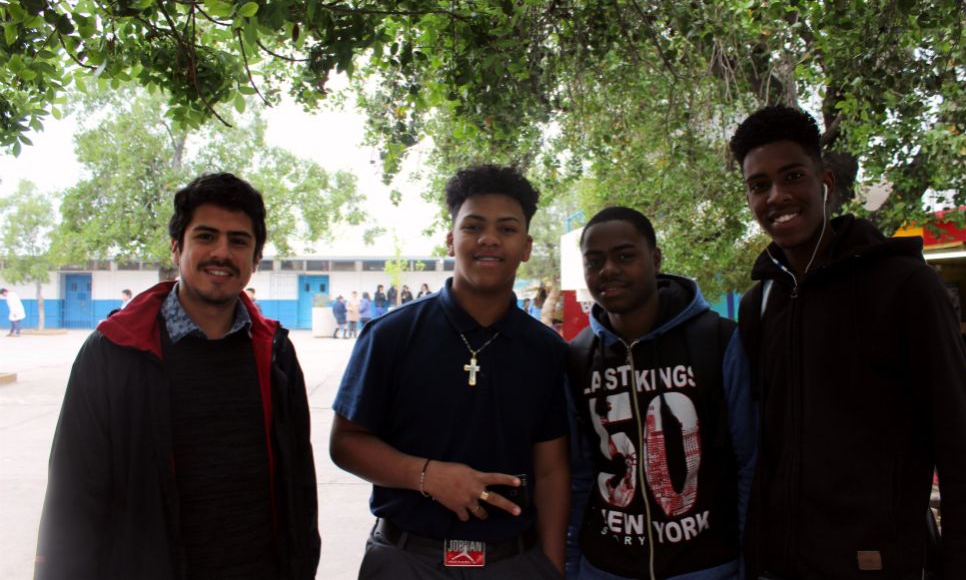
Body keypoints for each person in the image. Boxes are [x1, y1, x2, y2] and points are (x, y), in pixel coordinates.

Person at [730, 105, 966, 579]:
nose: (777, 195)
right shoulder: (760, 305)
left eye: (792, 176)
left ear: (825, 182)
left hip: (880, 563)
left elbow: (960, 443)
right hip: (779, 565)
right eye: (759, 184)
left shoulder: (906, 288)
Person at [34, 172, 321, 580]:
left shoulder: (276, 354)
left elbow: (299, 483)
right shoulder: (113, 352)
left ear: (256, 259)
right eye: (206, 236)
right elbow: (74, 495)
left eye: (239, 241)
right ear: (176, 247)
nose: (221, 252)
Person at [330, 164, 570, 579]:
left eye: (507, 229)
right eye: (473, 226)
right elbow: (346, 443)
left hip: (513, 564)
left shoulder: (547, 350)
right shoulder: (391, 335)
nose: (489, 239)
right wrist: (427, 476)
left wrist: (551, 567)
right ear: (450, 239)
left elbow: (550, 471)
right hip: (406, 560)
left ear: (526, 247)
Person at [565, 207, 755, 580]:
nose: (608, 270)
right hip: (606, 567)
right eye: (594, 261)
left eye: (624, 256)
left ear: (655, 259)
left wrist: (749, 562)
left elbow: (749, 462)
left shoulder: (719, 340)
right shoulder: (579, 356)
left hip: (707, 566)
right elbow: (579, 473)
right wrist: (573, 566)